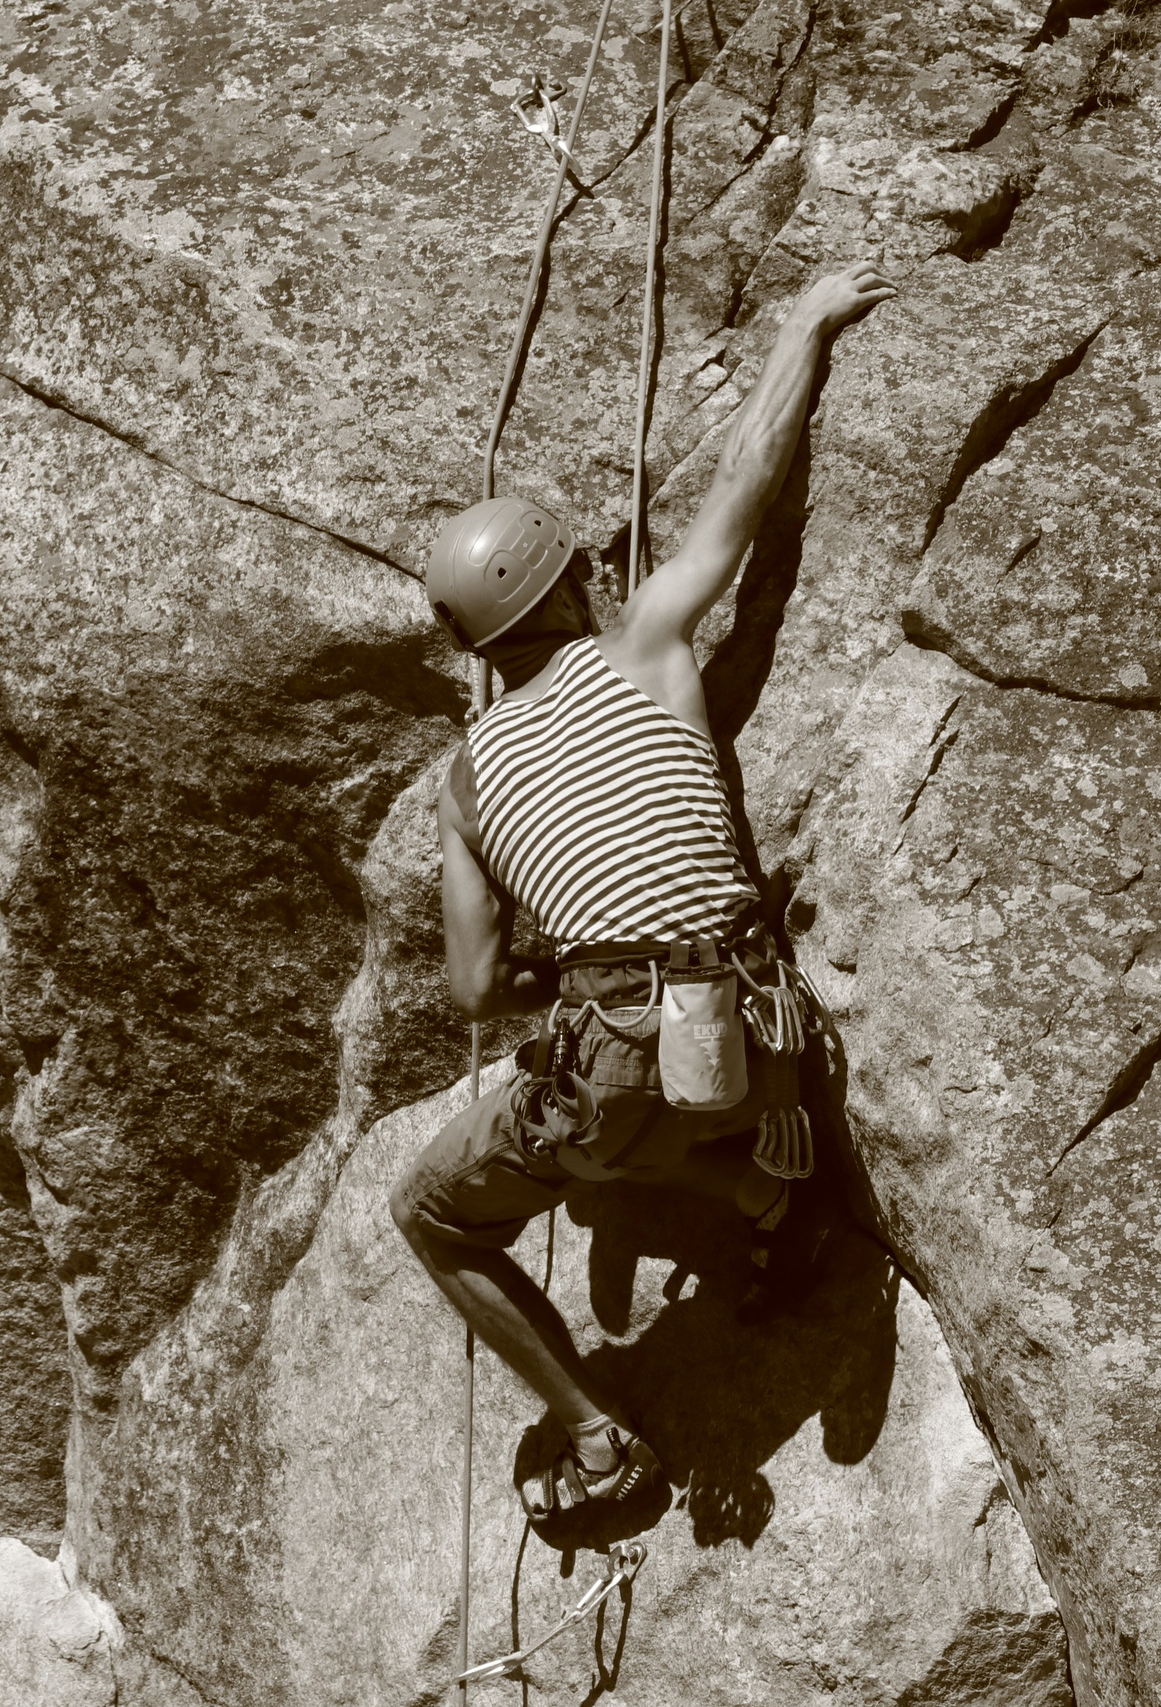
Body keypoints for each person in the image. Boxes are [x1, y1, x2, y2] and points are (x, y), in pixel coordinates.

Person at [388, 262, 896, 1525]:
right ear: (564, 588)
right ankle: (760, 1184)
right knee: (617, 1122)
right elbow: (746, 490)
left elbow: (468, 987)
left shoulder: (466, 777)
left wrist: (540, 956)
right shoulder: (648, 645)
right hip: (757, 1032)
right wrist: (807, 323)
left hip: (620, 1057)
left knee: (439, 1213)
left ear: (478, 645)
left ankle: (599, 1438)